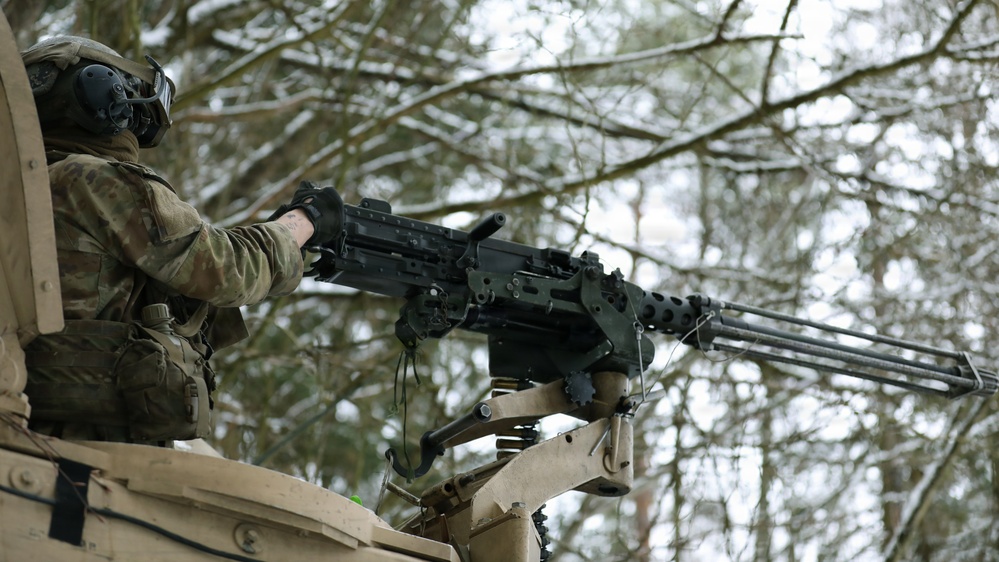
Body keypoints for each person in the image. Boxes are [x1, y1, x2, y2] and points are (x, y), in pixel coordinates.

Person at [19, 36, 343, 444]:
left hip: (32, 416)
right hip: (86, 436)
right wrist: (303, 223)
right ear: (102, 92)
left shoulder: (23, 187)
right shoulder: (89, 180)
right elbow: (226, 269)